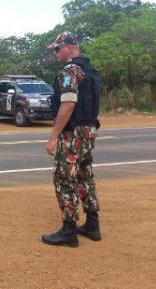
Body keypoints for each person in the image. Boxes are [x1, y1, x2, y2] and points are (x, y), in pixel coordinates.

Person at [42, 32, 101, 247]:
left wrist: (53, 137)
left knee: (64, 178)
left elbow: (68, 104)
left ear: (69, 46)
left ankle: (69, 230)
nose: (55, 54)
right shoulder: (91, 72)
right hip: (88, 132)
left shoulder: (70, 71)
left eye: (57, 49)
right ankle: (93, 224)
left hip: (72, 134)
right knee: (85, 176)